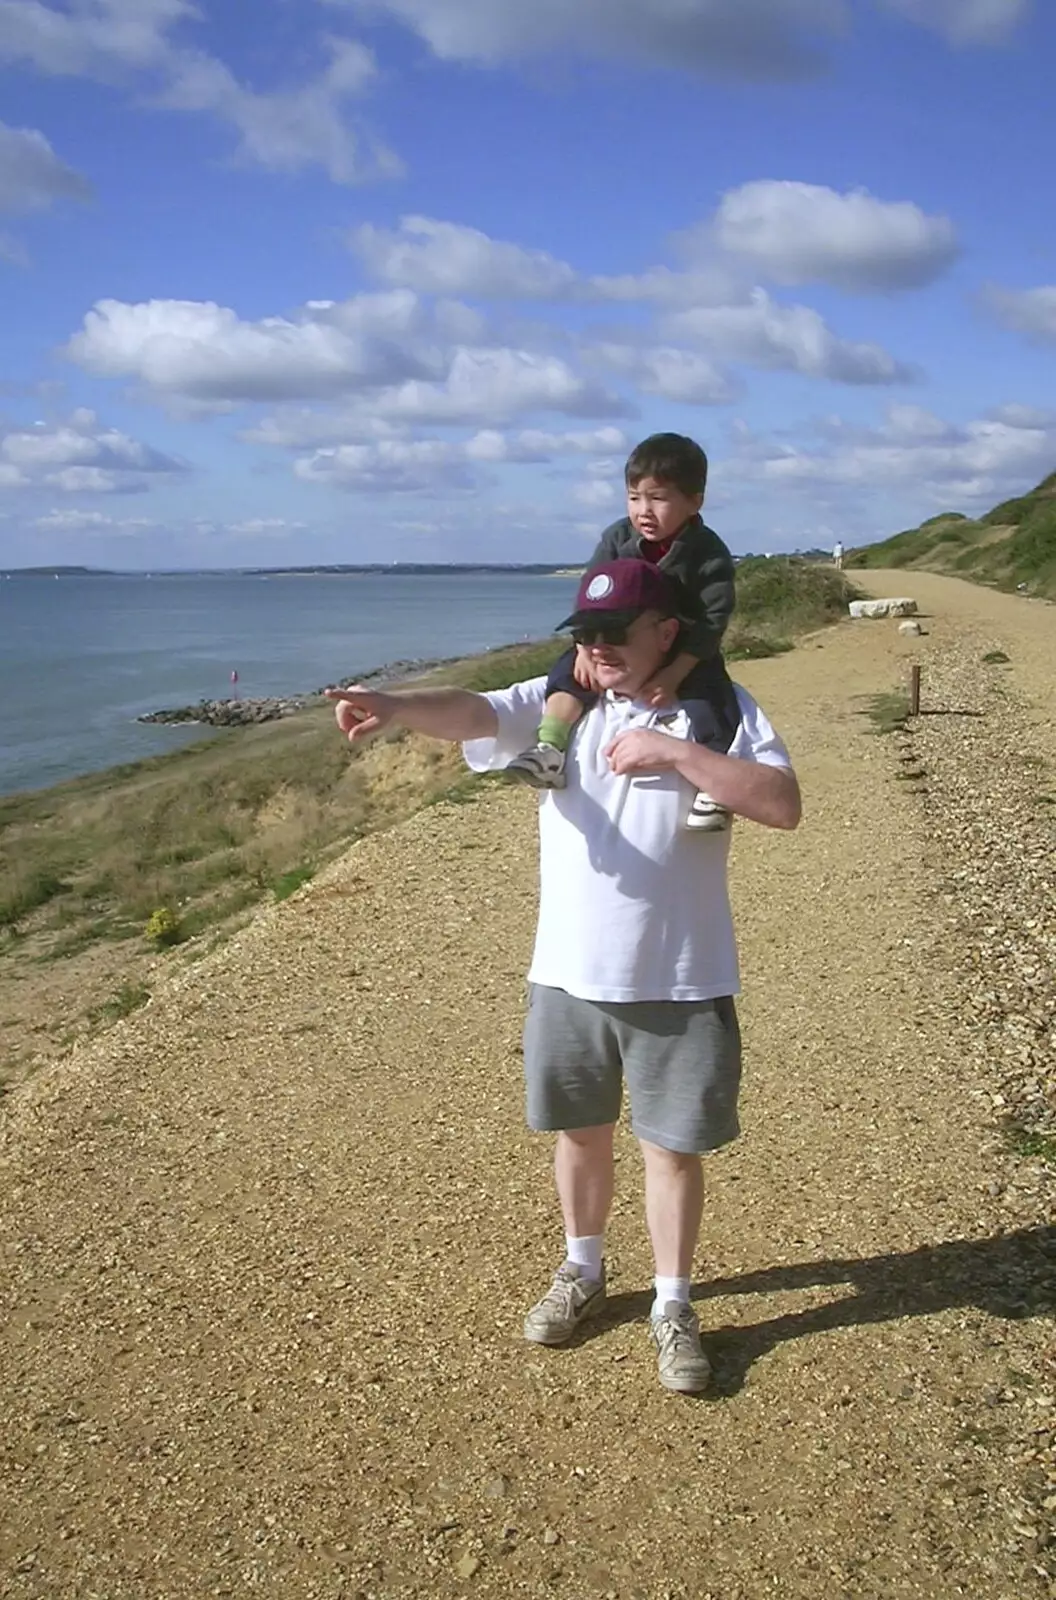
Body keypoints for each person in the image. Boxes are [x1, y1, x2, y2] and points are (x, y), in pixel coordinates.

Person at [327, 559, 801, 1395]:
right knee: (578, 1134)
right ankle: (582, 1271)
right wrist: (396, 706)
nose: (597, 648)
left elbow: (780, 803)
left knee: (672, 1152)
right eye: (585, 633)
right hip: (568, 976)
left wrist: (677, 752)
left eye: (614, 634)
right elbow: (473, 712)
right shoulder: (566, 704)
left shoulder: (717, 711)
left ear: (664, 631)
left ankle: (672, 1303)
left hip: (681, 980)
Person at [505, 433, 738, 833]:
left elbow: (713, 620)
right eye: (634, 498)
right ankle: (550, 747)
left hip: (684, 647)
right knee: (566, 674)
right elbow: (589, 594)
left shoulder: (708, 553)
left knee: (712, 696)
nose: (643, 511)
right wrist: (582, 647)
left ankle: (712, 782)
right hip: (616, 636)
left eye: (658, 499)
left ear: (694, 501)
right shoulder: (617, 538)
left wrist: (674, 673)